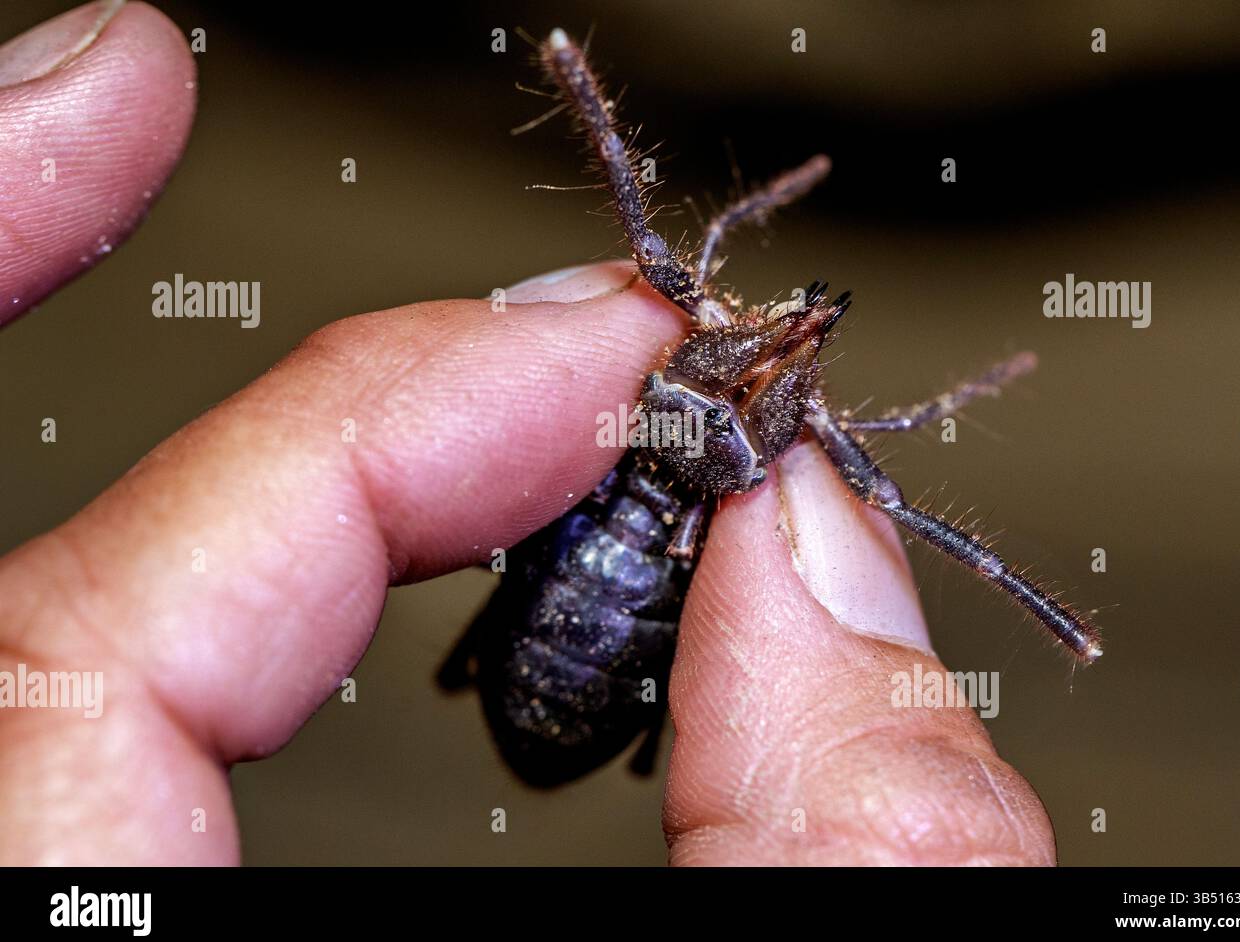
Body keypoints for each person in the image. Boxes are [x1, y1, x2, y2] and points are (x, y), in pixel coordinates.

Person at [0, 1, 1055, 865]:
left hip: (602, 599)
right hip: (587, 602)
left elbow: (664, 265)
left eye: (796, 341)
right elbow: (661, 257)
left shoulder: (718, 413)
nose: (789, 334)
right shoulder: (718, 413)